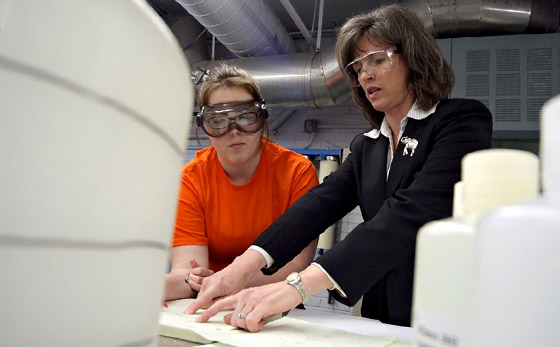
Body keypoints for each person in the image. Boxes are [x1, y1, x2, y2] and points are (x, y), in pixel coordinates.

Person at [184, 4, 493, 330]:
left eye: (376, 60)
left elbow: (411, 214)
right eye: (357, 67)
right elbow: (315, 207)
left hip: (442, 312)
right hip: (381, 315)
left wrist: (296, 287)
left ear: (413, 57)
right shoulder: (368, 146)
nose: (365, 75)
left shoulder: (459, 122)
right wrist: (241, 267)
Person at [163, 63, 319, 302]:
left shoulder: (297, 172)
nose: (234, 131)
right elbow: (188, 274)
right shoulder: (190, 179)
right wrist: (151, 287)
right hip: (207, 301)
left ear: (262, 118)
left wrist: (223, 281)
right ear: (205, 127)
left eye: (245, 117)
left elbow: (296, 264)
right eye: (218, 121)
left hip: (273, 300)